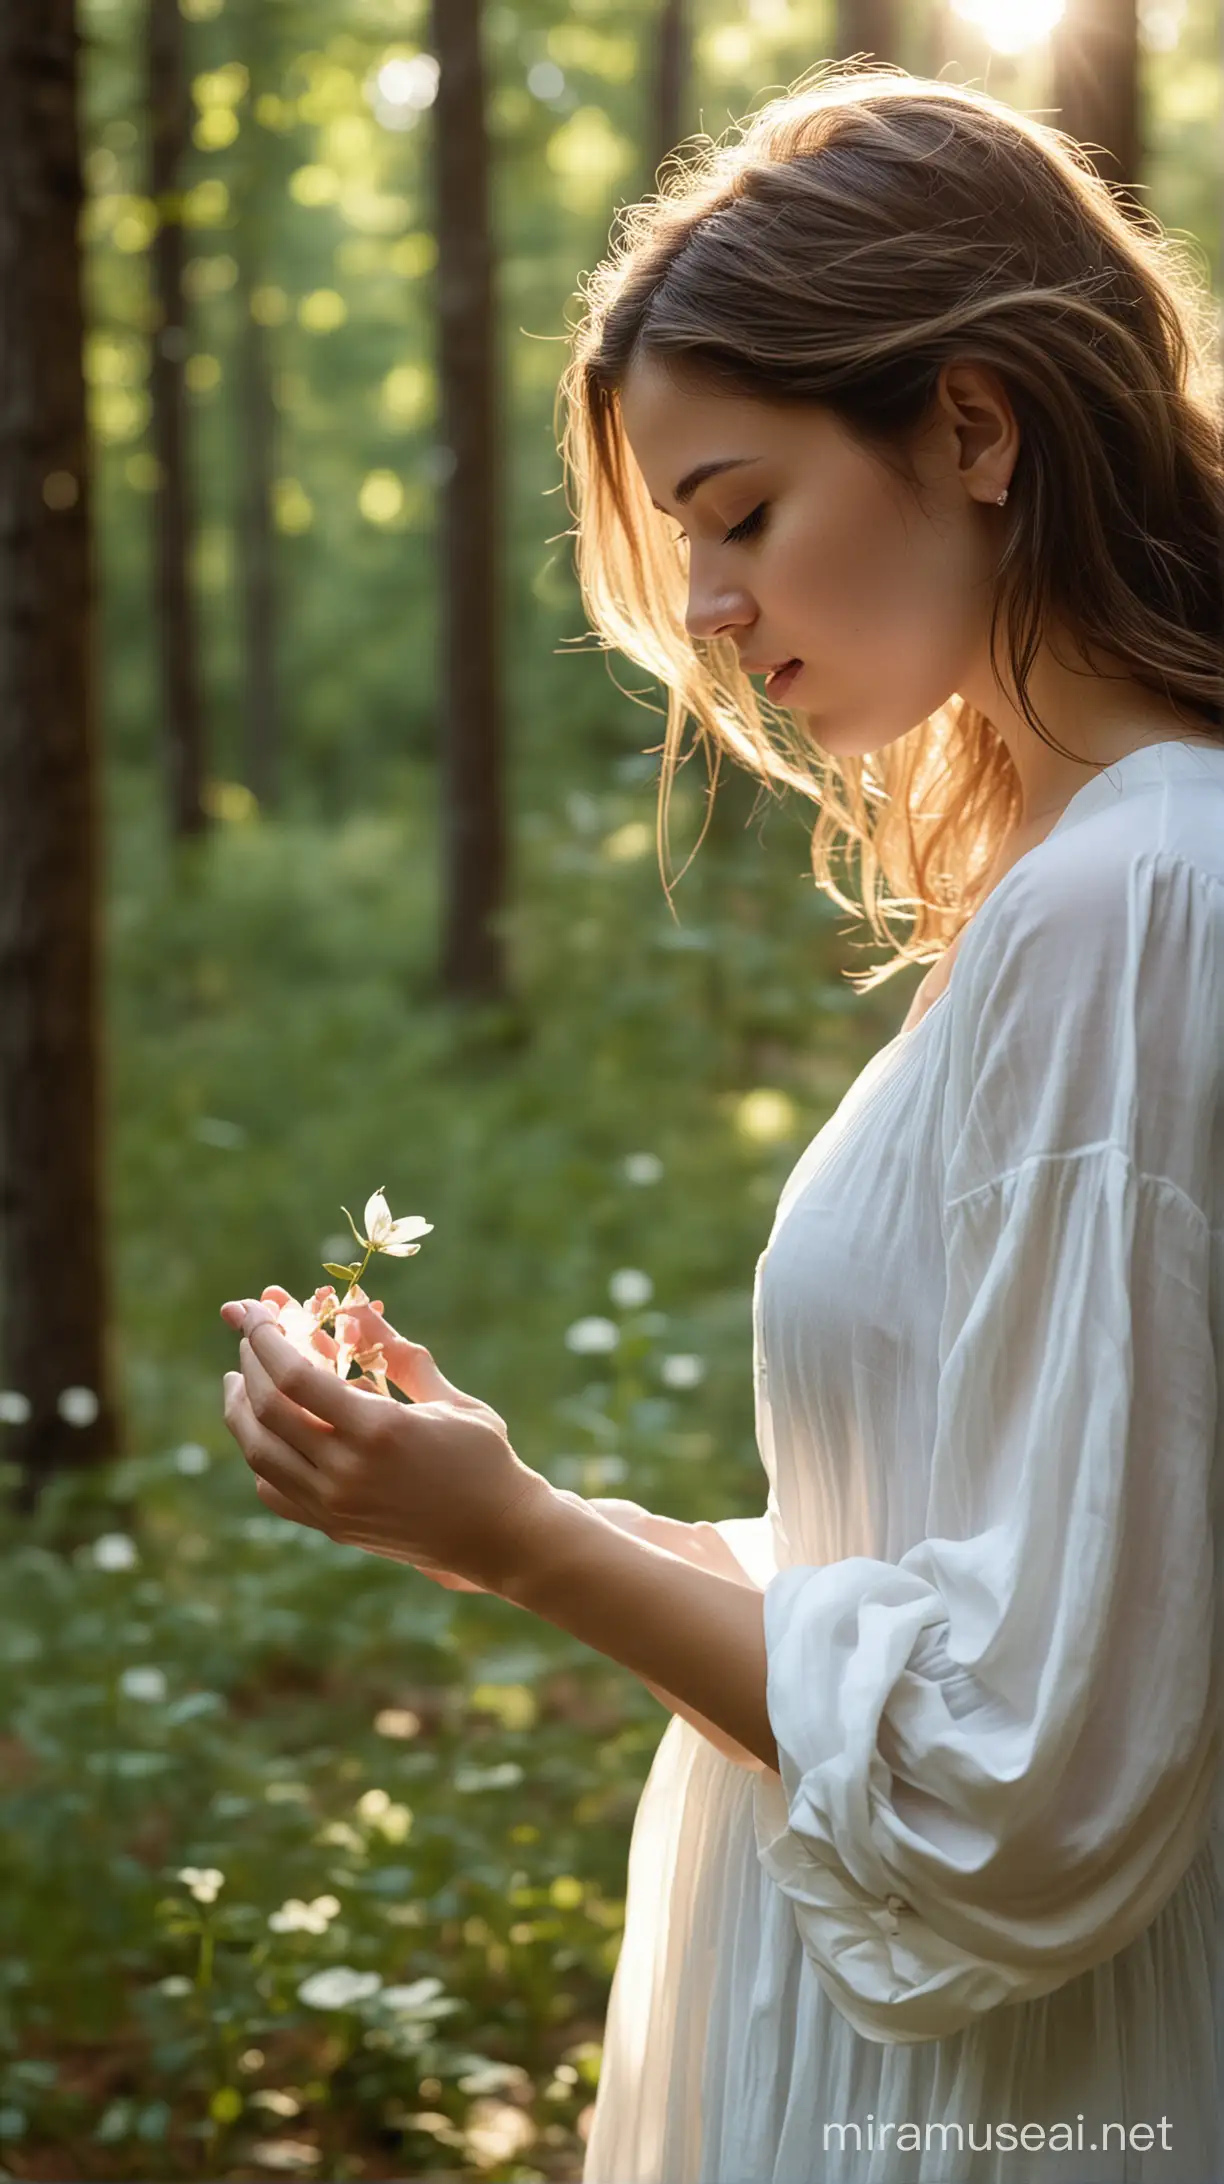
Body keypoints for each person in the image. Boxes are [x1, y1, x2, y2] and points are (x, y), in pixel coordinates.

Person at [222, 64, 1223, 2184]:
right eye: (690, 542)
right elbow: (976, 1589)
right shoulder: (1091, 891)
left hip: (1026, 2102)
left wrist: (522, 1543)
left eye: (743, 511)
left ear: (972, 424)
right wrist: (504, 1512)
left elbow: (1025, 1774)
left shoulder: (1139, 901)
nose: (707, 610)